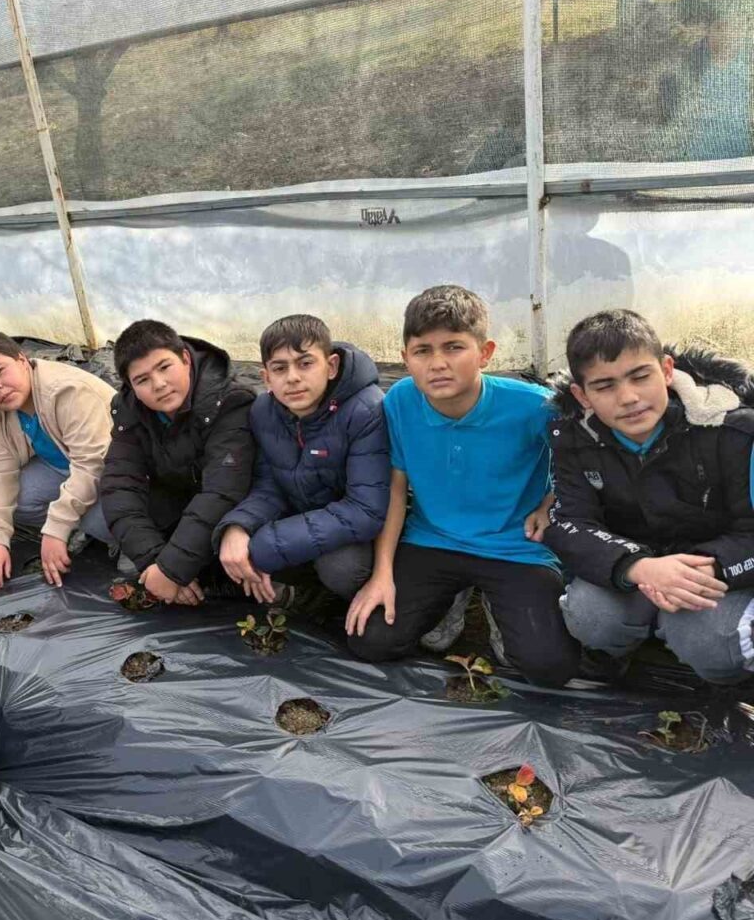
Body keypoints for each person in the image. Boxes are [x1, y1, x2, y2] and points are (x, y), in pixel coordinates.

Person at [345, 285, 579, 688]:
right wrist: (382, 574)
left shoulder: (534, 405)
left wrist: (549, 502)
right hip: (433, 539)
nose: (438, 363)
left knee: (548, 667)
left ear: (485, 353)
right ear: (405, 358)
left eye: (453, 347)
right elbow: (396, 490)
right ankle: (450, 597)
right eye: (422, 351)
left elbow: (580, 460)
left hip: (515, 546)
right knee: (370, 640)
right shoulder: (400, 401)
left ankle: (496, 603)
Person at [545, 309, 754, 684]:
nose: (628, 398)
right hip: (636, 566)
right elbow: (569, 522)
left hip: (712, 571)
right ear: (581, 395)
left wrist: (704, 568)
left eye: (640, 377)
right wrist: (637, 566)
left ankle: (720, 674)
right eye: (605, 386)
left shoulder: (734, 431)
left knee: (710, 643)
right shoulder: (573, 438)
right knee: (591, 616)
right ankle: (618, 651)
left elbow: (750, 531)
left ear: (667, 370)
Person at [215, 315, 389, 605]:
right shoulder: (263, 411)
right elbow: (269, 485)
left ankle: (352, 603)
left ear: (331, 366)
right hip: (306, 517)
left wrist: (267, 546)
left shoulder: (366, 411)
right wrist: (238, 526)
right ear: (266, 378)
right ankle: (305, 595)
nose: (293, 378)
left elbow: (365, 511)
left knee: (342, 568)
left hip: (359, 532)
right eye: (279, 368)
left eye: (305, 363)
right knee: (232, 544)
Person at [99, 319, 255, 606]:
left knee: (245, 553)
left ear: (185, 359)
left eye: (164, 367)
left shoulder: (229, 402)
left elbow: (222, 492)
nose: (159, 385)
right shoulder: (130, 411)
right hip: (181, 499)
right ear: (131, 386)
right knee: (121, 532)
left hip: (235, 507)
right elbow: (118, 485)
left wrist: (171, 570)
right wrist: (154, 561)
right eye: (142, 380)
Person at [0, 331, 116, 590]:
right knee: (18, 500)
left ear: (22, 360)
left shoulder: (68, 391)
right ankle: (80, 528)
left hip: (114, 472)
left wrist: (56, 527)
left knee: (101, 521)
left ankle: (122, 541)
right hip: (62, 467)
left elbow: (92, 466)